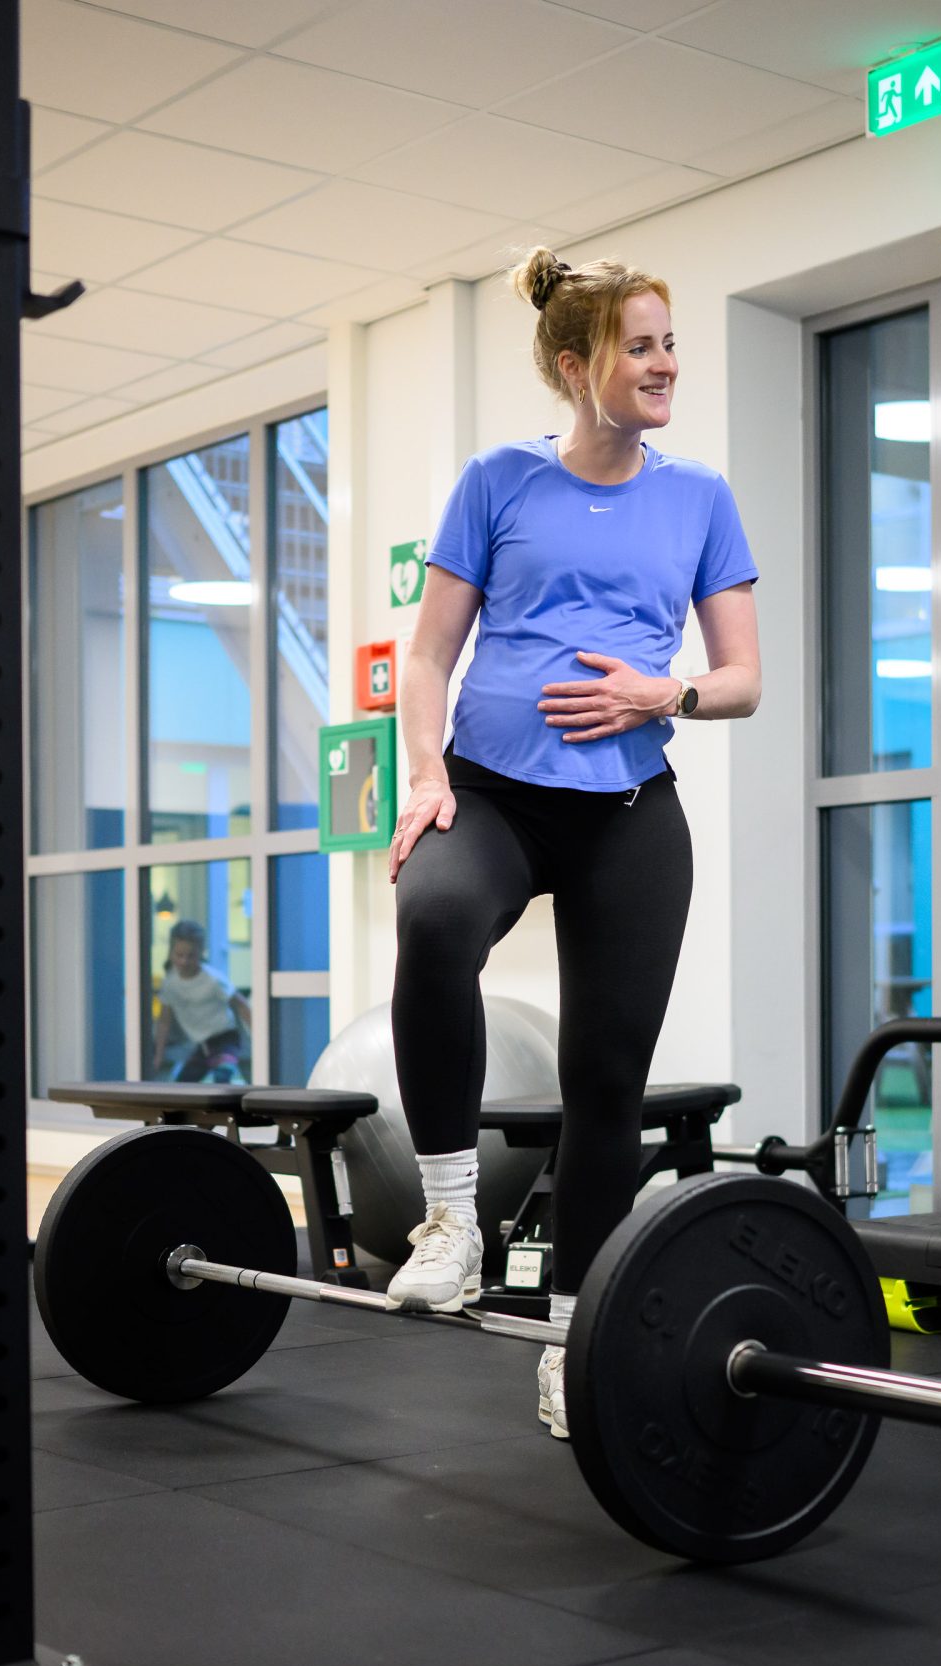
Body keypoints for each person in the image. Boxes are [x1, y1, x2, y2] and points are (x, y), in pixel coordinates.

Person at [383, 245, 762, 1440]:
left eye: (667, 342)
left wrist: (667, 696)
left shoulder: (697, 495)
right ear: (573, 364)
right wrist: (426, 770)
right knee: (433, 918)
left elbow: (742, 676)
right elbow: (430, 651)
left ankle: (568, 1337)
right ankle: (448, 1220)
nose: (663, 364)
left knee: (607, 1082)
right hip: (494, 792)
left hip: (630, 815)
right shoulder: (499, 481)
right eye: (638, 345)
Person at [145, 920, 251, 1083]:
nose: (184, 961)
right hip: (201, 1045)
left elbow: (242, 1005)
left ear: (200, 953)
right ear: (171, 953)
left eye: (191, 956)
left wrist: (260, 1038)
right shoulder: (170, 983)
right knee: (182, 1085)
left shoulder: (212, 979)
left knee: (222, 1076)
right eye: (179, 955)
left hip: (225, 1038)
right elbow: (164, 1021)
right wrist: (158, 1056)